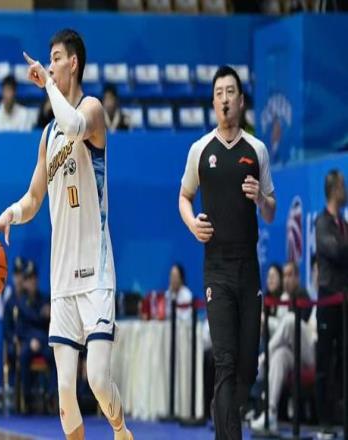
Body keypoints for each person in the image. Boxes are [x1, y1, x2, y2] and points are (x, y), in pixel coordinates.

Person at [0, 29, 133, 440]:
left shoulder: (93, 109)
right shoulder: (47, 135)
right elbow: (33, 198)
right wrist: (7, 216)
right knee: (65, 392)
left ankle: (121, 431)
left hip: (96, 271)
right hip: (62, 278)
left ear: (74, 63)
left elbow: (75, 124)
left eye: (55, 58)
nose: (49, 66)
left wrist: (48, 86)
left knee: (96, 378)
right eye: (48, 60)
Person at [179, 65, 276, 439]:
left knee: (247, 366)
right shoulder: (200, 150)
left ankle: (225, 415)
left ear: (241, 100)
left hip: (248, 267)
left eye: (230, 92)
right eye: (218, 93)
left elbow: (272, 210)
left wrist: (261, 197)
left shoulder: (257, 149)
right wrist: (192, 224)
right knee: (225, 360)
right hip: (216, 268)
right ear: (213, 102)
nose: (224, 99)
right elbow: (184, 196)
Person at [251, 261, 314, 432]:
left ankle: (263, 359)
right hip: (294, 353)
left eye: (290, 275)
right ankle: (270, 413)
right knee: (279, 356)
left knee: (289, 320)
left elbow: (299, 327)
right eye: (285, 275)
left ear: (297, 277)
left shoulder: (302, 293)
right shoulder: (285, 298)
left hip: (310, 352)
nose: (286, 279)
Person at [315, 169, 348, 437]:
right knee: (325, 361)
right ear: (335, 189)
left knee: (343, 360)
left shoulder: (343, 225)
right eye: (343, 186)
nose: (345, 190)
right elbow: (335, 251)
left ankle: (341, 415)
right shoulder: (322, 222)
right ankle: (323, 420)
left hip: (344, 302)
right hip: (328, 299)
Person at [17, 261, 56, 413]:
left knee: (55, 356)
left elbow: (48, 323)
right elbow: (22, 327)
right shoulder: (21, 302)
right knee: (23, 356)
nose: (32, 282)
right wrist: (32, 340)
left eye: (34, 278)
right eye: (29, 279)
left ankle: (51, 396)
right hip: (29, 341)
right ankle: (27, 399)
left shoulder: (44, 299)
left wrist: (49, 313)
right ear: (25, 282)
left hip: (44, 341)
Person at [3, 256, 26, 374]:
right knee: (12, 351)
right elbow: (6, 328)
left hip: (28, 340)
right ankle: (15, 384)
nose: (19, 279)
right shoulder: (10, 302)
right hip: (15, 342)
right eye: (17, 275)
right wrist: (14, 339)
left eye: (21, 275)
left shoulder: (31, 298)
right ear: (13, 277)